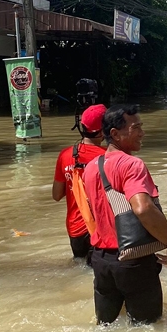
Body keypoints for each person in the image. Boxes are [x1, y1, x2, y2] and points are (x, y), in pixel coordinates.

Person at [83, 104, 167, 325]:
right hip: (133, 261)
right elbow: (143, 208)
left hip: (100, 260)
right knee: (149, 330)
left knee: (105, 327)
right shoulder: (132, 165)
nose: (142, 133)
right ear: (115, 134)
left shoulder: (90, 168)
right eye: (136, 127)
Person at [52, 104, 108, 265]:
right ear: (104, 130)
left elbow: (56, 195)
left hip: (75, 228)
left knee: (81, 267)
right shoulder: (109, 156)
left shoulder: (65, 155)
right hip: (99, 229)